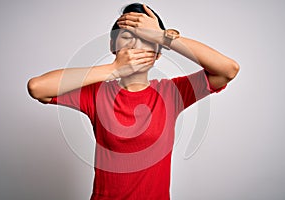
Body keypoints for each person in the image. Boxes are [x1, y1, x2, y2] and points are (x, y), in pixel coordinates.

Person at [27, 3, 239, 200]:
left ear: (157, 54)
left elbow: (228, 70)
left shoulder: (171, 93)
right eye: (127, 36)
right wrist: (112, 70)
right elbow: (37, 88)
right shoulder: (96, 93)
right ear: (113, 46)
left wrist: (163, 36)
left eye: (146, 38)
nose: (136, 45)